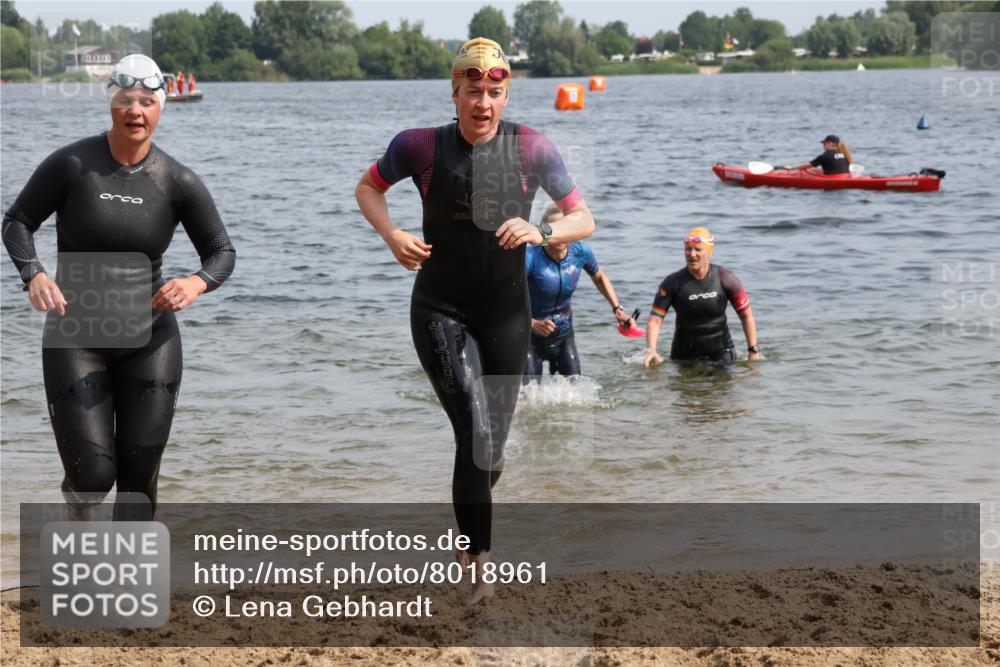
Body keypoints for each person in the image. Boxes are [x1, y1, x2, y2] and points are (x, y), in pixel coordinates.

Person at [355, 37, 595, 604]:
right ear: (455, 92)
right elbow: (368, 187)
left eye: (493, 91)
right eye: (472, 91)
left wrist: (542, 231)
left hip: (508, 312)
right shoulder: (419, 147)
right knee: (474, 431)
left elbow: (583, 218)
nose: (482, 103)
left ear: (505, 94)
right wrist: (392, 236)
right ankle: (478, 572)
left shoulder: (532, 148)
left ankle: (473, 500)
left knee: (490, 451)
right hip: (438, 308)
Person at [1, 54, 236, 520]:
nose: (136, 111)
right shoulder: (72, 164)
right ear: (111, 105)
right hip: (75, 335)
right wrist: (35, 273)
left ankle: (132, 576)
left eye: (147, 102)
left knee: (140, 470)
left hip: (151, 338)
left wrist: (195, 282)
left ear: (160, 109)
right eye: (126, 100)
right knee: (92, 478)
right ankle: (78, 506)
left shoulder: (177, 180)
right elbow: (18, 222)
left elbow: (221, 252)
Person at [525, 204, 633, 380]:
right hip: (529, 340)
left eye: (564, 229)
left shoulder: (580, 252)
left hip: (563, 337)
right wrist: (531, 323)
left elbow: (600, 278)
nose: (559, 235)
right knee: (527, 399)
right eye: (553, 229)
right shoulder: (530, 257)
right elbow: (504, 298)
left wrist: (617, 309)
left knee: (576, 394)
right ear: (543, 230)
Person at [643, 228, 759, 368]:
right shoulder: (672, 283)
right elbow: (655, 321)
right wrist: (651, 351)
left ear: (710, 252)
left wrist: (753, 351)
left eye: (698, 249)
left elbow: (746, 316)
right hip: (684, 356)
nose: (692, 254)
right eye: (688, 249)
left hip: (722, 354)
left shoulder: (726, 279)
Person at [783, 135, 853, 175]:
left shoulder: (825, 156)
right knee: (816, 170)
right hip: (845, 176)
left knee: (807, 171)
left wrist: (792, 168)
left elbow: (808, 165)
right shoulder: (843, 154)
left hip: (834, 179)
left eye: (824, 143)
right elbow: (836, 167)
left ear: (830, 143)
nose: (823, 146)